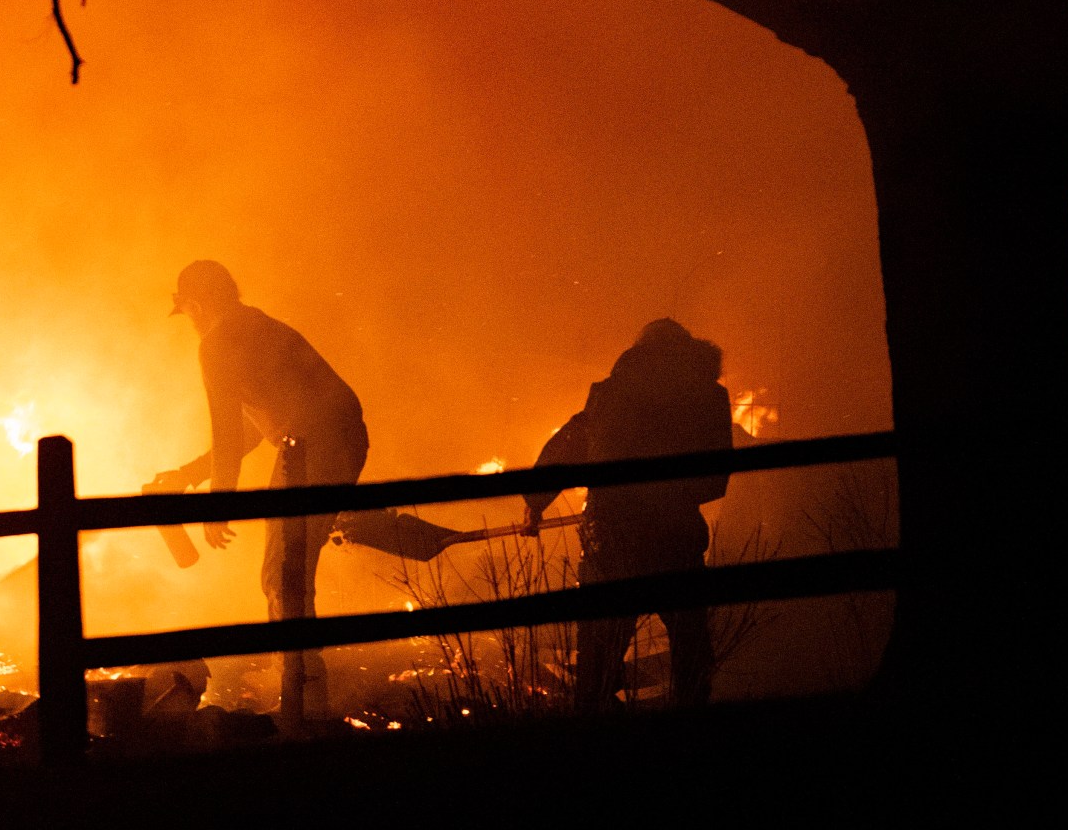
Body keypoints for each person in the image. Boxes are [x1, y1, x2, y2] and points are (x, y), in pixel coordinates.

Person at [155, 260, 455, 718]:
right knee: (286, 562)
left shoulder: (217, 343)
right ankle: (348, 523)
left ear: (196, 304)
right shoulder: (255, 325)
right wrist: (189, 475)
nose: (190, 322)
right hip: (325, 438)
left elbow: (229, 435)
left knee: (284, 571)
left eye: (189, 311)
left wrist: (218, 505)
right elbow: (255, 428)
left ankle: (304, 706)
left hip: (316, 443)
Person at [522, 318, 735, 707]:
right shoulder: (708, 399)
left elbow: (568, 446)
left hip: (612, 538)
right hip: (676, 540)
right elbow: (714, 480)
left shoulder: (610, 394)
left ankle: (596, 733)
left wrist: (534, 504)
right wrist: (670, 496)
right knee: (692, 656)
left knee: (599, 659)